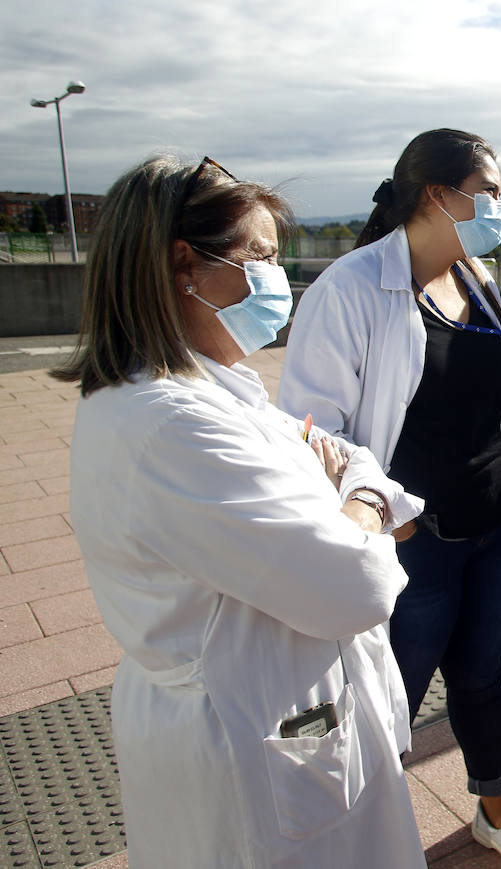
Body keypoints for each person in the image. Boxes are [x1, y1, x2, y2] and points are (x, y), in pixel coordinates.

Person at [56, 155, 426, 866]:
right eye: (259, 257)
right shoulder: (172, 423)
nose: (276, 281)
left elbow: (346, 454)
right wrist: (368, 507)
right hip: (247, 737)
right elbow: (357, 582)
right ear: (183, 264)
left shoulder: (209, 391)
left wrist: (350, 494)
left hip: (280, 714)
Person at [277, 129, 501, 869]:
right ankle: (360, 837)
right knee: (383, 696)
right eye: (488, 189)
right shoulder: (352, 287)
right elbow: (311, 429)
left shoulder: (479, 277)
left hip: (498, 526)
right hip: (416, 545)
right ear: (438, 195)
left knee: (480, 673)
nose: (500, 204)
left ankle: (496, 810)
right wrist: (383, 513)